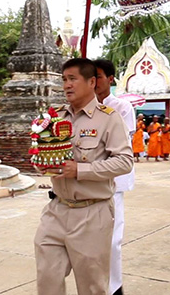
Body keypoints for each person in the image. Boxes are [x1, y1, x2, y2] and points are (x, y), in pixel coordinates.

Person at [34, 58, 133, 295]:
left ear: (91, 82)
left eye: (72, 79)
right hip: (56, 210)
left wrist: (80, 170)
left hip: (92, 213)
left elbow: (124, 161)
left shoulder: (109, 118)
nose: (67, 85)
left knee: (91, 286)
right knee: (47, 279)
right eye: (64, 80)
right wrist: (42, 163)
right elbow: (43, 152)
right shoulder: (54, 117)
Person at [94, 59, 136, 295]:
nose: (95, 82)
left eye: (99, 76)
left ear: (110, 79)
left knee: (112, 239)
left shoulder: (122, 107)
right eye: (92, 77)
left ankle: (114, 287)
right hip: (87, 181)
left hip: (114, 180)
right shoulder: (81, 107)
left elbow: (119, 144)